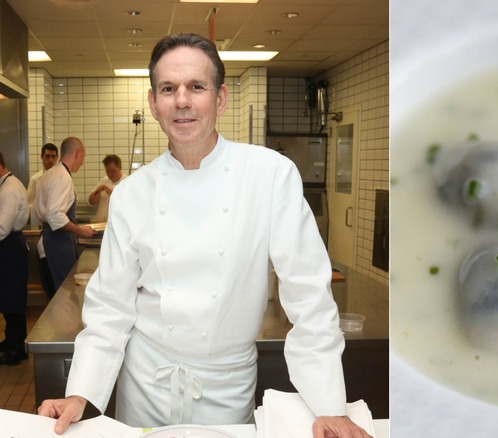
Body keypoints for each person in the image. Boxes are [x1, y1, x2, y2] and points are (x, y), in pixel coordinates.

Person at [38, 33, 372, 438]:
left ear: (220, 99)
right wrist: (81, 393)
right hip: (146, 381)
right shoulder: (132, 193)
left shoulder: (268, 175)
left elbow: (308, 294)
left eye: (196, 87)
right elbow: (110, 307)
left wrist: (329, 405)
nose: (182, 100)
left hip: (226, 384)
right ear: (154, 103)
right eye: (168, 89)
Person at [33, 137, 95, 293]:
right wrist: (80, 230)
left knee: (57, 290)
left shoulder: (49, 174)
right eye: (83, 158)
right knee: (64, 292)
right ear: (77, 154)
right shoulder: (62, 177)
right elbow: (54, 215)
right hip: (58, 242)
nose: (82, 162)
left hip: (50, 238)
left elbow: (38, 211)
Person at [0, 152, 31, 365]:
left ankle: (16, 348)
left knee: (12, 298)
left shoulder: (9, 189)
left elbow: (3, 228)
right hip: (8, 247)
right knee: (9, 296)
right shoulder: (7, 185)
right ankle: (11, 340)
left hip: (10, 247)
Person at [27, 143, 59, 299]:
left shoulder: (62, 176)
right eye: (47, 156)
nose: (50, 160)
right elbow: (29, 203)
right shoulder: (36, 179)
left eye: (53, 156)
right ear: (42, 157)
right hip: (41, 226)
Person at [87, 154, 126, 222]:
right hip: (101, 224)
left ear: (120, 167)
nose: (109, 174)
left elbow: (129, 207)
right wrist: (97, 191)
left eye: (113, 171)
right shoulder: (104, 180)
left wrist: (113, 195)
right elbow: (91, 202)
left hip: (117, 225)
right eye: (107, 171)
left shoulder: (127, 182)